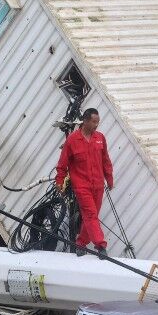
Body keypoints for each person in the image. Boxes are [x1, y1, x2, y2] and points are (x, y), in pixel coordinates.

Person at [54, 108, 114, 258]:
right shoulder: (72, 141)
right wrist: (59, 181)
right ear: (85, 121)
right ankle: (100, 246)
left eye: (98, 122)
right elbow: (62, 164)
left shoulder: (100, 138)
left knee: (91, 216)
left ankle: (80, 243)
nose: (96, 125)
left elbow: (105, 160)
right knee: (90, 215)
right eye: (94, 122)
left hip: (98, 185)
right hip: (82, 186)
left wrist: (109, 178)